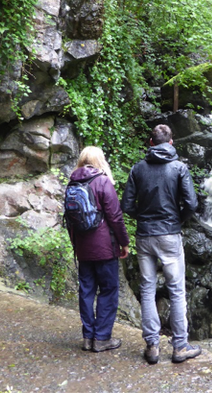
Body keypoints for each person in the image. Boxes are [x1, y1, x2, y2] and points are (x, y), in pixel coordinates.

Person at [122, 124, 200, 365]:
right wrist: (178, 220)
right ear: (171, 142)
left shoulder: (138, 169)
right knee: (176, 291)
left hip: (145, 236)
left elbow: (127, 205)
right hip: (169, 234)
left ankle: (152, 346)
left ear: (151, 142)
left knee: (147, 289)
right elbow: (192, 204)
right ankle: (179, 347)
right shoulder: (179, 168)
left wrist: (143, 219)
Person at [67, 146, 129, 353]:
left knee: (86, 291)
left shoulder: (72, 183)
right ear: (100, 161)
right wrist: (124, 242)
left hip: (83, 249)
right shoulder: (103, 182)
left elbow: (70, 220)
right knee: (108, 290)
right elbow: (115, 217)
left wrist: (75, 244)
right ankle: (101, 338)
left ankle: (87, 337)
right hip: (104, 248)